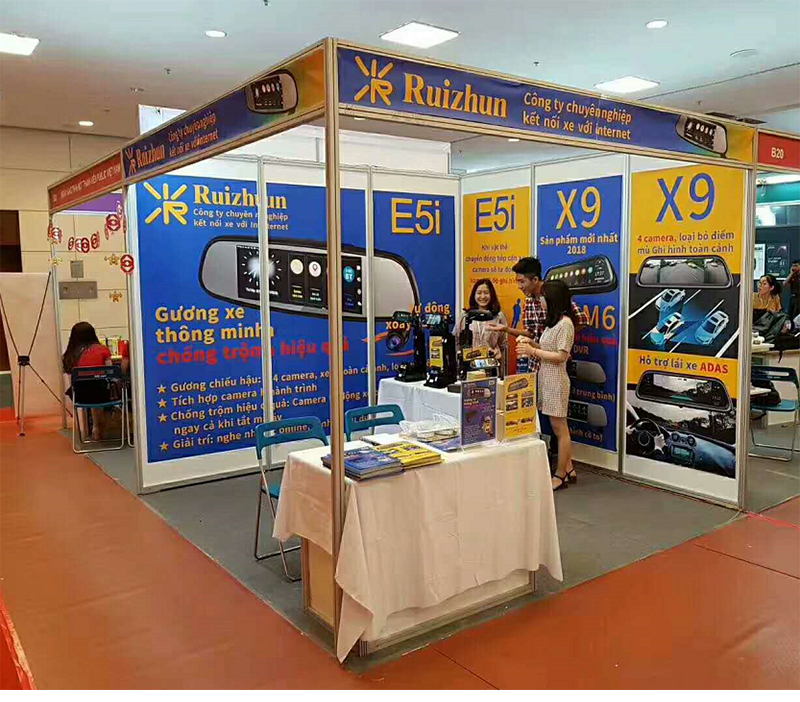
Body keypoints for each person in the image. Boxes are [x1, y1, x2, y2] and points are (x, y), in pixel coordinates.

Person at [520, 280, 577, 491]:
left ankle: (560, 475)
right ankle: (569, 469)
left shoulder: (566, 324)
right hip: (547, 379)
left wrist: (533, 351)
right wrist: (531, 344)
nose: (540, 301)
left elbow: (562, 356)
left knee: (560, 430)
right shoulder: (553, 323)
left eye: (543, 297)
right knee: (556, 427)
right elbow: (548, 348)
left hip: (557, 381)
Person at [488, 257, 587, 375]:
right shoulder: (529, 301)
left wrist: (560, 341)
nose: (519, 286)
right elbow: (531, 333)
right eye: (517, 282)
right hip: (535, 365)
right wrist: (506, 329)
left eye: (522, 281)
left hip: (554, 367)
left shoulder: (554, 294)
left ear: (535, 279)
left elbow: (582, 320)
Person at [62, 322, 113, 441]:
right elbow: (110, 373)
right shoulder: (103, 350)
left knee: (90, 389)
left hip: (80, 396)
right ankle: (99, 428)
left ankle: (90, 429)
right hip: (101, 395)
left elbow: (70, 379)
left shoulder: (69, 354)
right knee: (102, 390)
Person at [455, 279, 508, 365]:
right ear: (474, 295)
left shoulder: (499, 316)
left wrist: (502, 370)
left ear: (491, 295)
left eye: (486, 293)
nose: (482, 296)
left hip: (491, 365)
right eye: (479, 293)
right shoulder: (464, 316)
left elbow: (503, 345)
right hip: (469, 365)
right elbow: (457, 341)